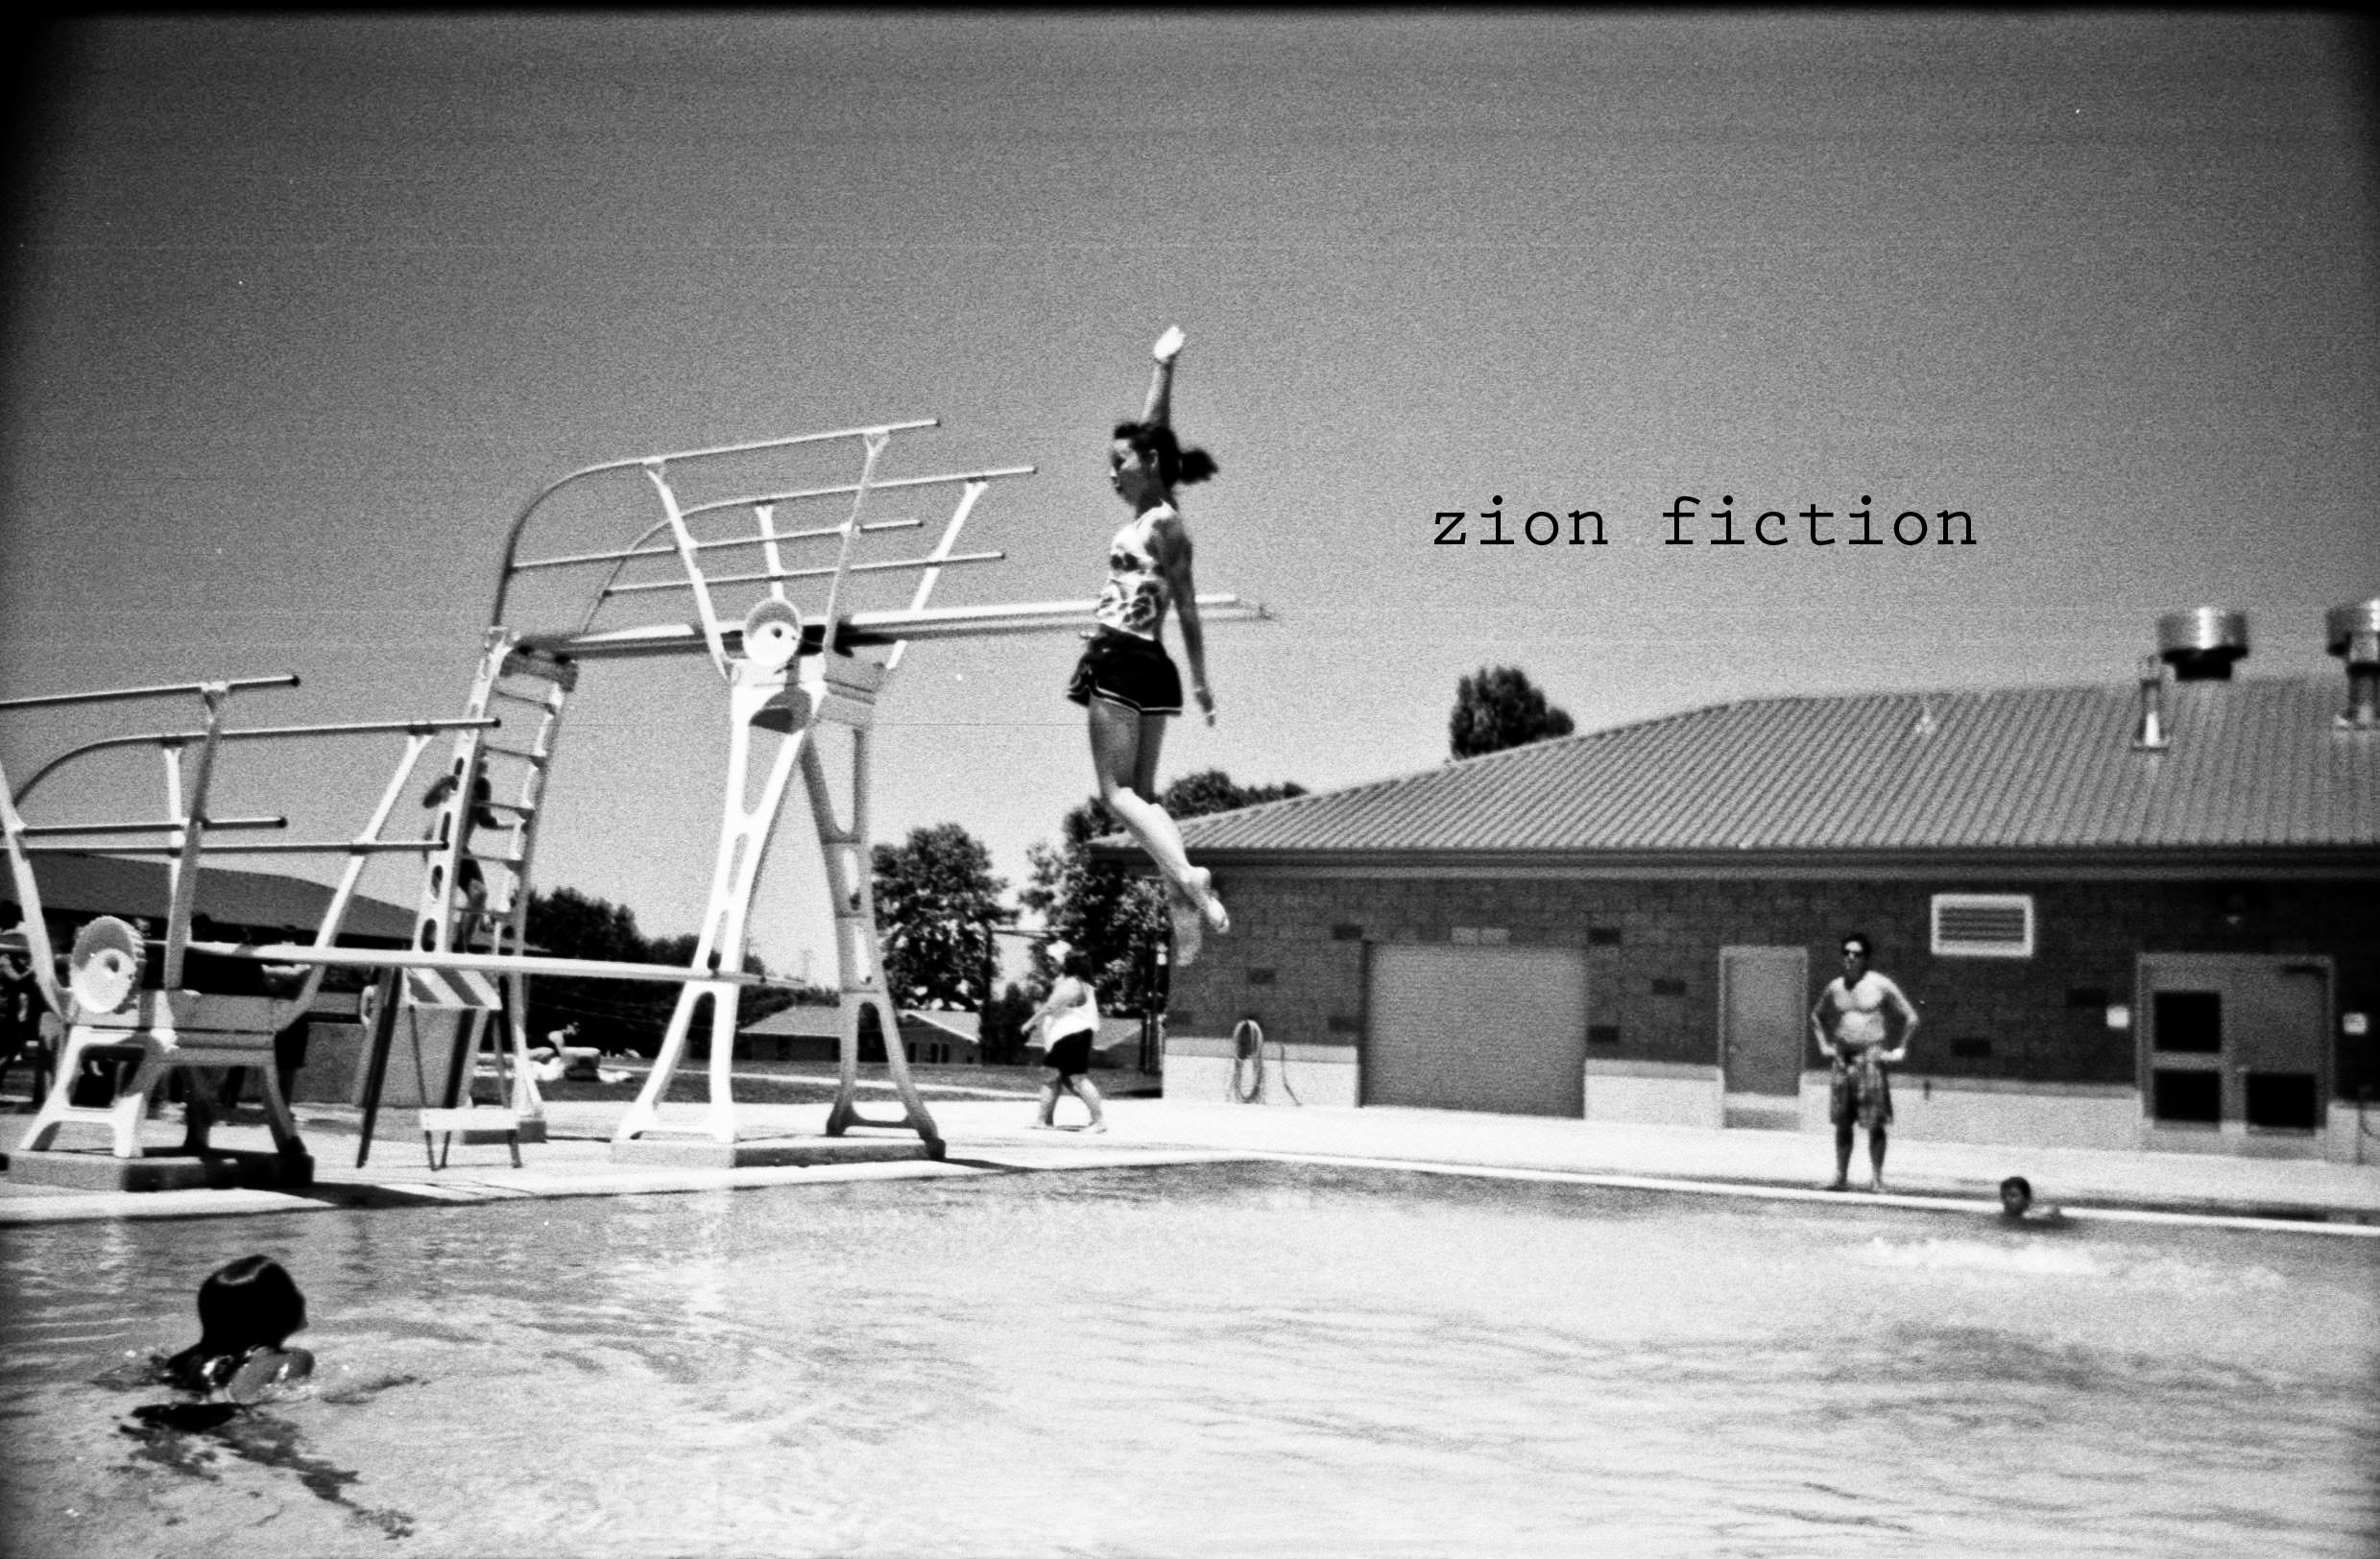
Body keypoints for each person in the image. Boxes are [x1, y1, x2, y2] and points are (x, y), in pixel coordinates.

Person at [1066, 325, 1229, 965]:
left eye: (1120, 463)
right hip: (1153, 667)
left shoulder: (1158, 523)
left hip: (1118, 659)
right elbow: (1183, 608)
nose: (1111, 472)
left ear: (1151, 465)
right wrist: (1163, 367)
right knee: (1145, 799)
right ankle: (1185, 900)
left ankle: (1187, 876)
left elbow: (1151, 432)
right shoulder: (1166, 522)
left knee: (1115, 795)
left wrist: (1163, 370)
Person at [1810, 931, 1919, 1192]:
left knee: (1875, 1122)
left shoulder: (1880, 984)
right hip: (1842, 1059)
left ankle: (1877, 1179)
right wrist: (1823, 1045)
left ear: (1865, 958)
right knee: (1842, 1122)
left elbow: (1911, 1017)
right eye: (1846, 952)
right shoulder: (1836, 987)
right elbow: (1816, 1016)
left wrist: (1900, 1048)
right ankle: (1840, 1177)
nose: (1850, 957)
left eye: (1856, 954)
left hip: (1870, 1058)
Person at [160, 1255, 316, 1405]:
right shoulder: (294, 1359)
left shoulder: (182, 1362)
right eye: (291, 1289)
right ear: (277, 1309)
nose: (301, 1295)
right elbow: (279, 1402)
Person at [1026, 941, 1107, 1133]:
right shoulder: (1082, 983)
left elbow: (1050, 1007)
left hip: (1070, 1036)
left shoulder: (1073, 984)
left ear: (1069, 964)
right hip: (1071, 1036)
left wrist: (1029, 1023)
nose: (1052, 962)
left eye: (1057, 960)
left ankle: (1099, 1121)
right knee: (1053, 1076)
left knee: (1076, 1079)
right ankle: (1044, 1121)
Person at [1998, 1175, 2067, 1224]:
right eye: (2003, 1196)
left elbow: (2053, 1210)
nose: (2006, 1200)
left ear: (2027, 1198)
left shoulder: (2034, 1216)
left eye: (2013, 1196)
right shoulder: (2002, 1218)